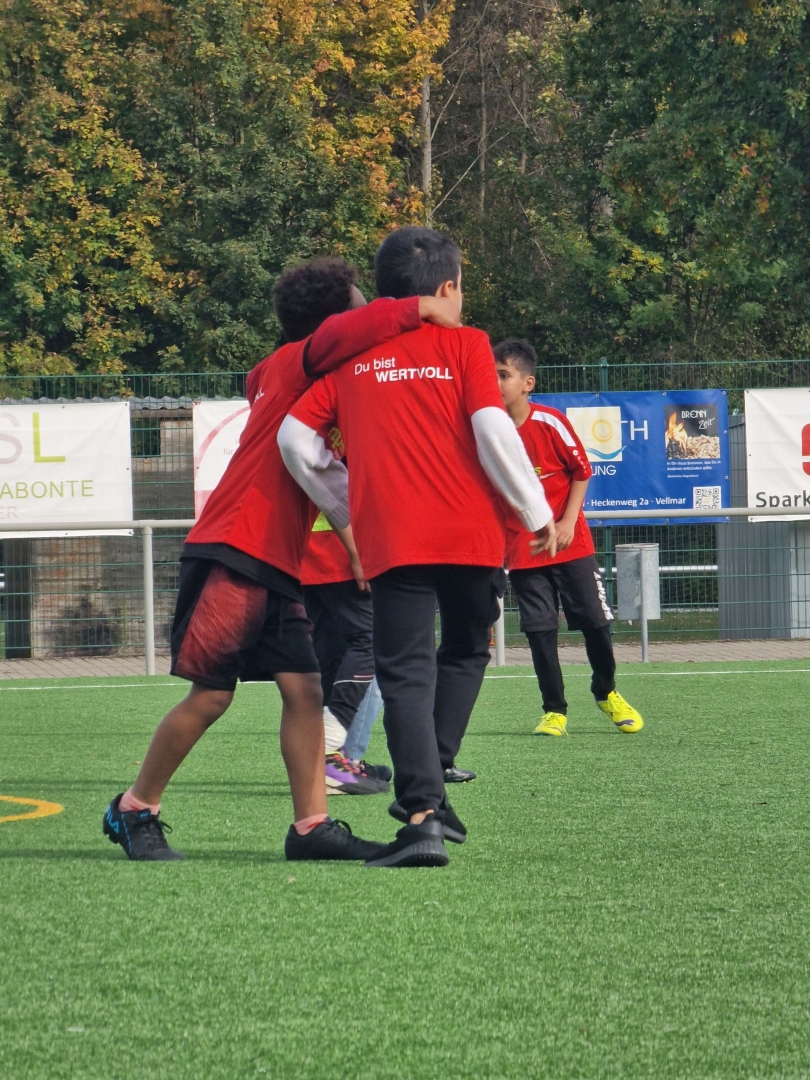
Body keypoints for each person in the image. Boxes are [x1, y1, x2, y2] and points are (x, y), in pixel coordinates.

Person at [102, 256, 460, 862]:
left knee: (304, 690)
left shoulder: (286, 375)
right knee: (212, 696)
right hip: (236, 547)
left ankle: (311, 827)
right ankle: (135, 807)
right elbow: (346, 338)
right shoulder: (296, 362)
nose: (369, 315)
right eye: (358, 307)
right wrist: (425, 307)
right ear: (329, 328)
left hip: (274, 561)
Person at [279, 226, 557, 869]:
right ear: (449, 287)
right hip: (472, 534)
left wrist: (346, 507)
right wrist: (534, 509)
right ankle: (433, 782)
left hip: (393, 538)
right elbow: (491, 428)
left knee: (405, 671)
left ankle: (425, 813)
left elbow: (294, 440)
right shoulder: (467, 344)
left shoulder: (350, 359)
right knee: (466, 648)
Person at [493, 338, 644, 737]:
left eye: (504, 375)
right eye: (491, 375)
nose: (496, 383)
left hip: (570, 544)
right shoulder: (486, 431)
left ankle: (606, 691)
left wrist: (566, 522)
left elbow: (582, 471)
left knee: (595, 622)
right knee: (539, 630)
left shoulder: (550, 422)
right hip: (523, 549)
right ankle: (554, 710)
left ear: (528, 383)